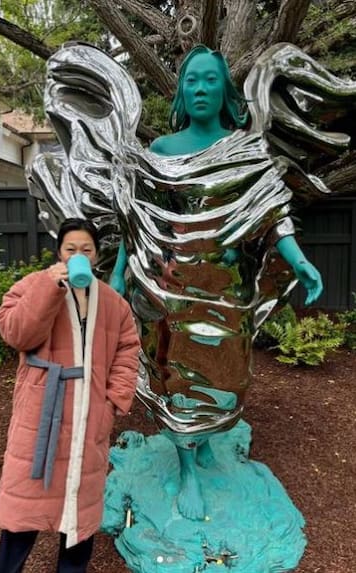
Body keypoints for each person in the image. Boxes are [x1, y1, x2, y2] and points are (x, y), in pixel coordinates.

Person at [109, 45, 323, 519]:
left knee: (229, 375)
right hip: (172, 291)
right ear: (182, 92)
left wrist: (300, 260)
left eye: (210, 80)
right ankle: (187, 466)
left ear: (225, 91)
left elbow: (273, 214)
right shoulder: (161, 152)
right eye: (192, 81)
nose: (201, 88)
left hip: (229, 292)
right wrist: (121, 271)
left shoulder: (246, 149)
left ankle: (205, 437)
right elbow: (135, 219)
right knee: (178, 376)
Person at [0, 217, 140, 573]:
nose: (79, 256)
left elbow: (127, 350)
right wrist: (48, 287)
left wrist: (112, 403)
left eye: (86, 250)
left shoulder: (112, 302)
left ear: (96, 256)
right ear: (59, 252)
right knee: (20, 522)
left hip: (89, 421)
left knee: (78, 527)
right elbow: (16, 334)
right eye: (71, 249)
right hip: (40, 419)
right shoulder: (32, 285)